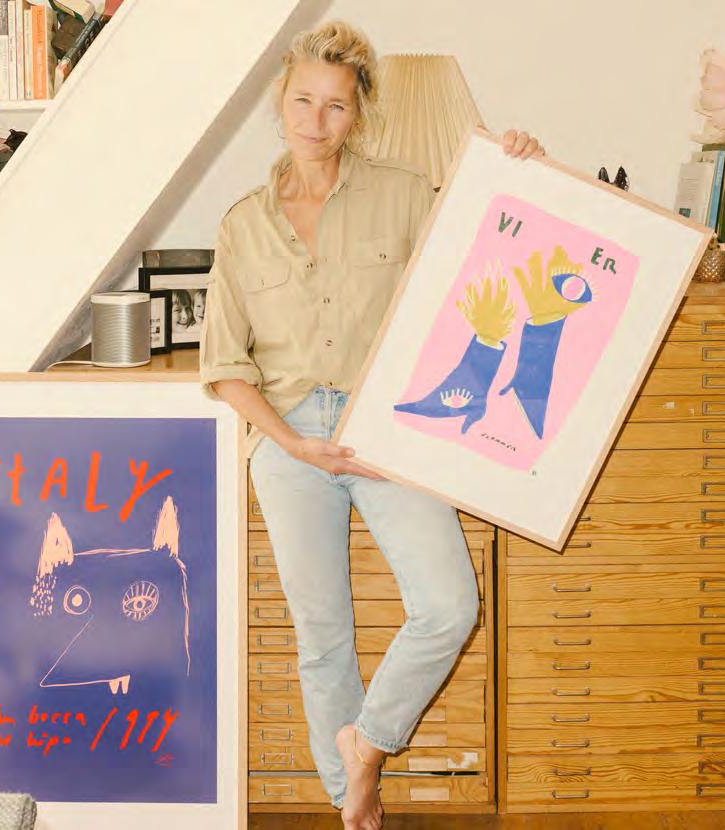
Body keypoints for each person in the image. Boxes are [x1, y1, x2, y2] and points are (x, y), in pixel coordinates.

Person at [199, 20, 543, 830]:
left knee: (449, 605)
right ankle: (350, 800)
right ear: (280, 100)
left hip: (389, 430)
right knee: (322, 635)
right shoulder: (243, 224)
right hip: (288, 439)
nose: (316, 122)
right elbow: (225, 367)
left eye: (336, 107)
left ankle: (366, 743)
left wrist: (518, 168)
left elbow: (487, 251)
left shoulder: (404, 192)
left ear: (359, 115)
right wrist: (292, 444)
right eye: (303, 101)